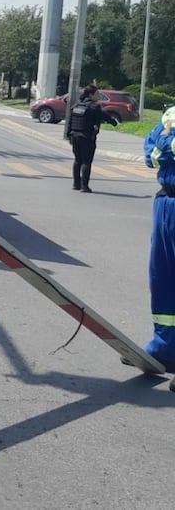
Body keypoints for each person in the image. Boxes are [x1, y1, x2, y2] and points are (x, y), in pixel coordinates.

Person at [131, 106, 175, 376]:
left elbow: (160, 147)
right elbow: (151, 155)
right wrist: (166, 144)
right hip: (166, 202)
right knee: (162, 279)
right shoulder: (172, 113)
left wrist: (165, 142)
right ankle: (164, 348)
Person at [68, 84, 119, 193]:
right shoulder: (94, 107)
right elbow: (105, 116)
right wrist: (114, 122)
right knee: (86, 161)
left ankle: (76, 184)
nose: (98, 96)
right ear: (91, 95)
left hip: (75, 136)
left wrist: (69, 134)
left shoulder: (76, 105)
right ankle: (84, 186)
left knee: (77, 160)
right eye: (97, 94)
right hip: (86, 137)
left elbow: (69, 121)